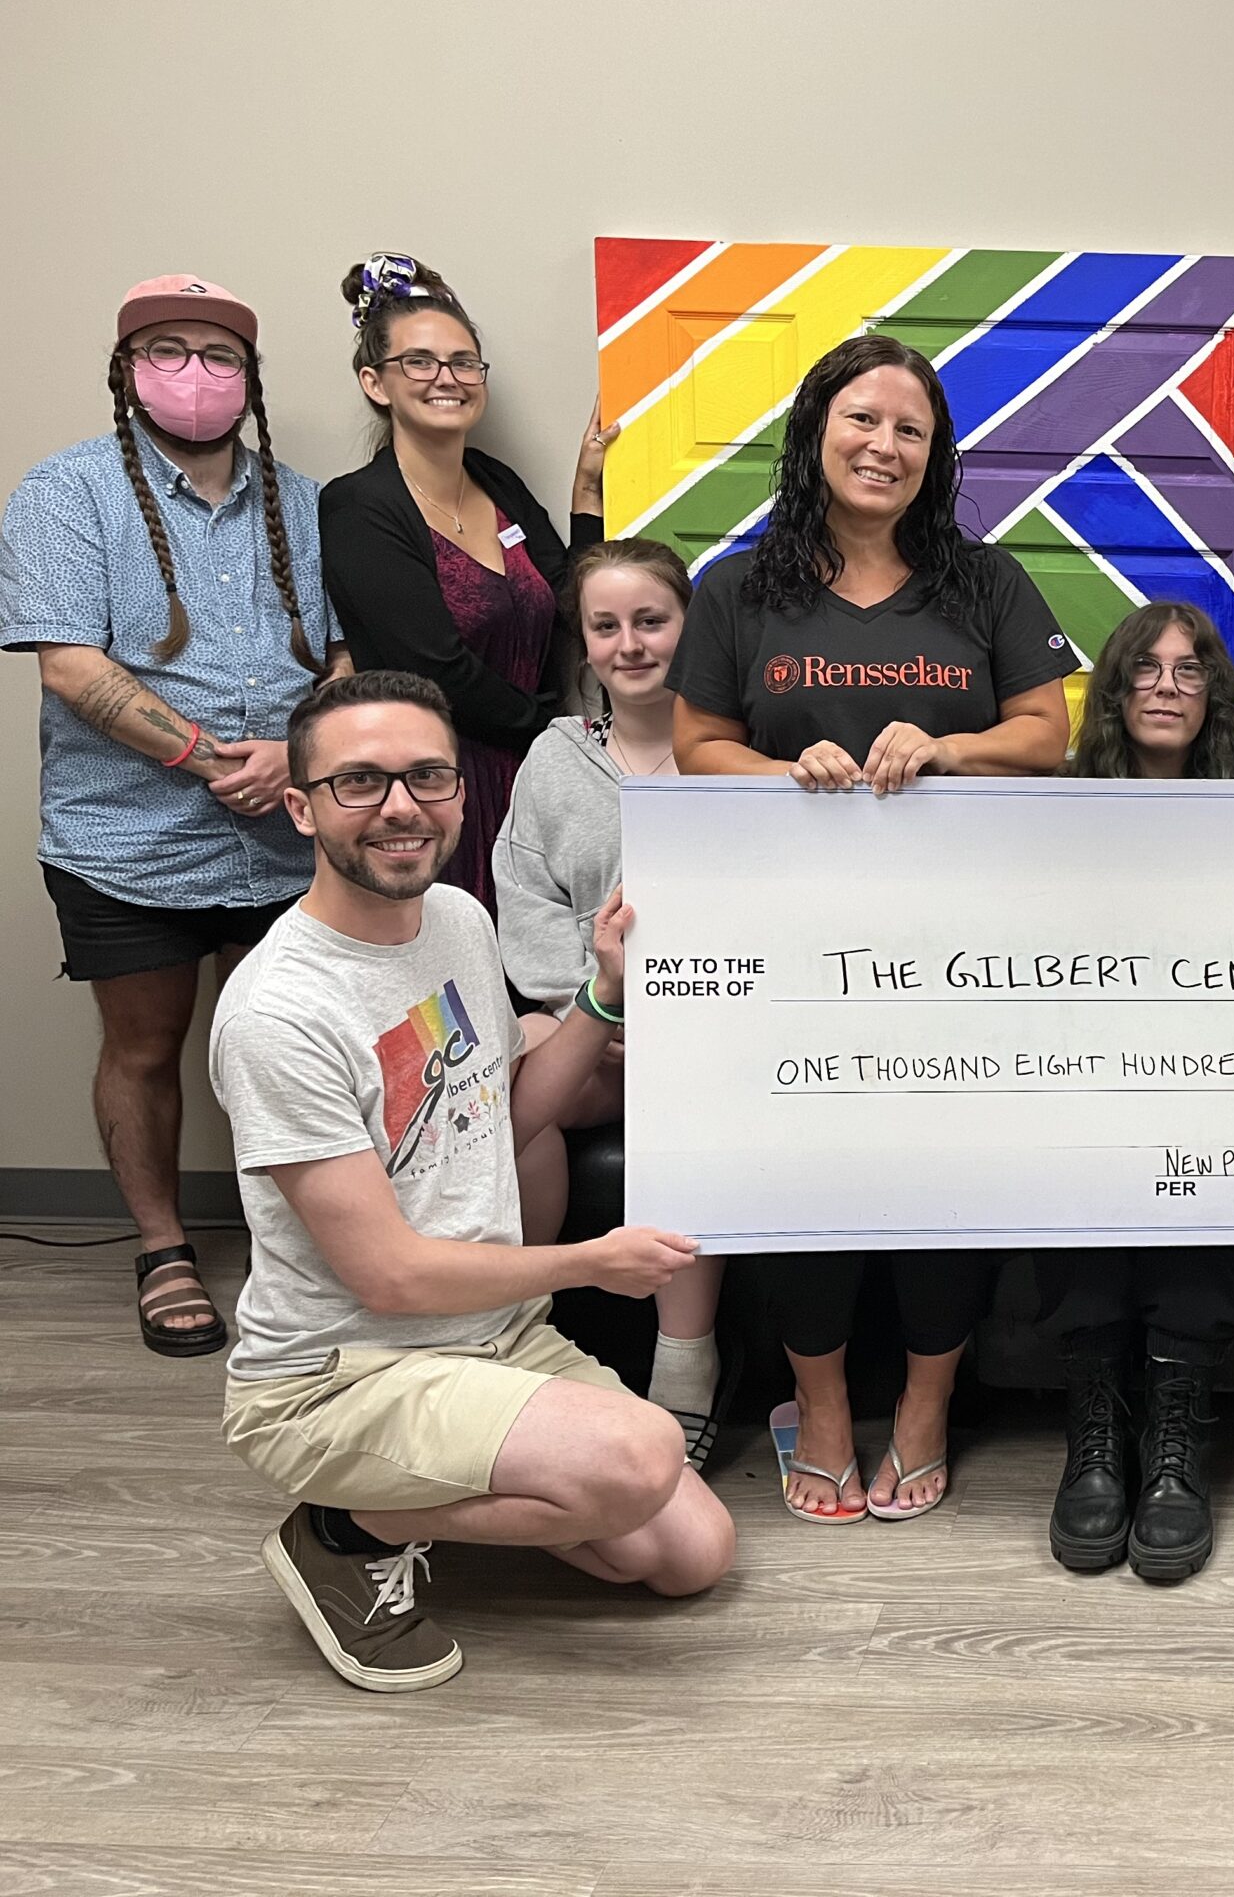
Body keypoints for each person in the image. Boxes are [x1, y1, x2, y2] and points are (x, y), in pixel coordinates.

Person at [213, 671, 733, 1693]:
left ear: (459, 793)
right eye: (359, 782)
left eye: (425, 777)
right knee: (635, 1457)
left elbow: (510, 1112)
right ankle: (338, 1525)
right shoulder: (280, 1012)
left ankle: (454, 1484)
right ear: (300, 805)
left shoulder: (456, 918)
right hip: (340, 1376)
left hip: (489, 1341)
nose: (400, 806)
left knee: (686, 1558)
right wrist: (591, 1260)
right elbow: (391, 1279)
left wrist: (603, 993)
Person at [667, 331, 1074, 1523]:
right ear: (815, 434)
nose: (884, 445)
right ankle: (826, 1409)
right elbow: (697, 748)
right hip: (785, 942)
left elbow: (1044, 734)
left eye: (910, 428)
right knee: (804, 1174)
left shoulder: (984, 582)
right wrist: (789, 772)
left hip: (959, 948)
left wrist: (943, 746)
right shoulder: (739, 589)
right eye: (862, 420)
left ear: (934, 453)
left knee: (939, 1177)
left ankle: (926, 1409)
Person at [2, 274, 347, 1356]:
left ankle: (297, 1242)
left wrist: (296, 752)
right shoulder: (66, 493)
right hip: (126, 840)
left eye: (217, 354)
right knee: (145, 1049)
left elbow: (341, 652)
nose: (192, 374)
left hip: (289, 833)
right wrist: (211, 762)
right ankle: (161, 1249)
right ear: (126, 369)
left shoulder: (305, 502)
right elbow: (69, 666)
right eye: (167, 350)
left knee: (287, 1048)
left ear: (249, 379)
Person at [1045, 601, 1234, 1581]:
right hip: (1083, 1065)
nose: (1167, 687)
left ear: (1213, 691)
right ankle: (1097, 1421)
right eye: (1145, 669)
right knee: (1074, 1148)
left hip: (1221, 1066)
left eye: (1188, 670)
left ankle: (1175, 1430)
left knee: (1208, 1142)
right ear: (1114, 688)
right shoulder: (1056, 802)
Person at [493, 538, 726, 1471]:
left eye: (651, 621)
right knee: (517, 1069)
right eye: (606, 626)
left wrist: (670, 1028)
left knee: (692, 1107)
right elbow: (526, 905)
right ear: (583, 644)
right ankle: (518, 1326)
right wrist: (599, 1014)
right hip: (589, 1026)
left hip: (709, 1041)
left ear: (689, 627)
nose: (630, 643)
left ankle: (686, 1368)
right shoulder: (551, 761)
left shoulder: (736, 757)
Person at [319, 254, 607, 912]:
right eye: (419, 362)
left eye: (463, 362)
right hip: (437, 791)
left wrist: (587, 490)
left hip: (532, 784)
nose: (446, 378)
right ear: (375, 382)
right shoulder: (360, 507)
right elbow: (433, 667)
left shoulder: (495, 481)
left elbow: (574, 604)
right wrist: (554, 737)